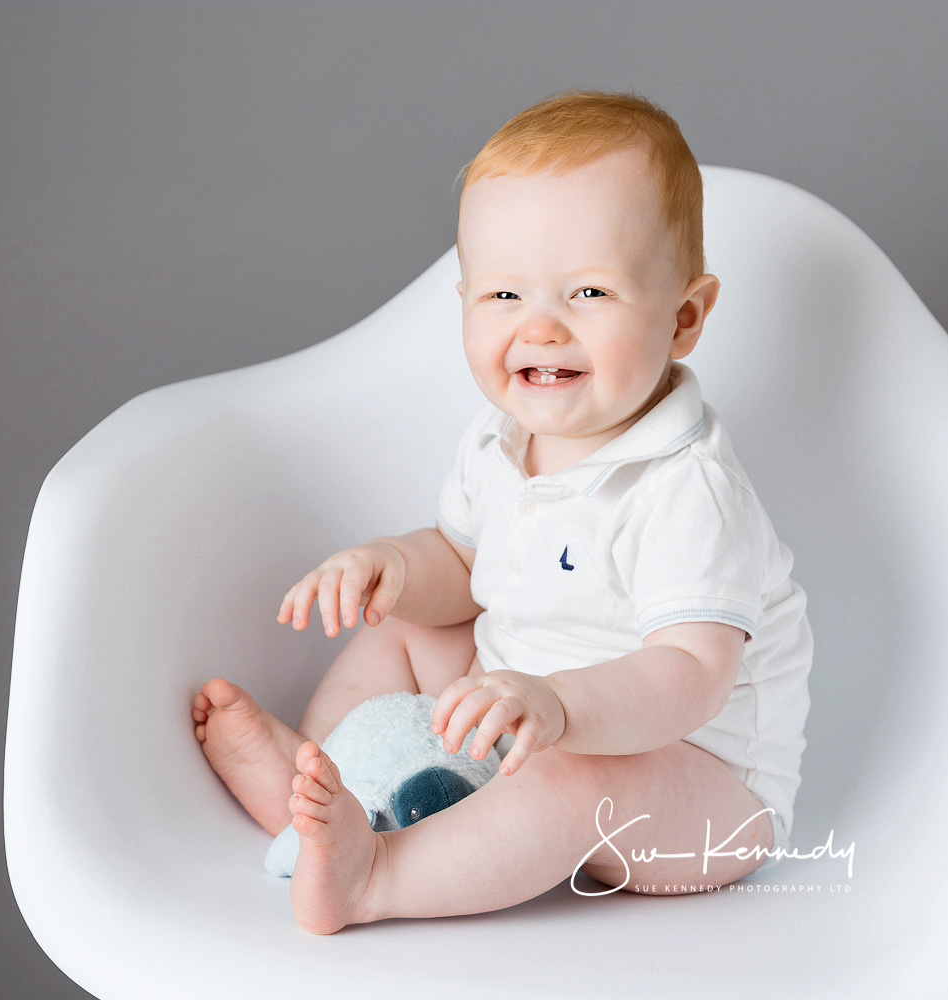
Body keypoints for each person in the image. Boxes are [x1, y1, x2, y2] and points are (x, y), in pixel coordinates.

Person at [192, 89, 813, 935]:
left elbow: (689, 678)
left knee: (572, 780)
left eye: (589, 293)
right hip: (526, 714)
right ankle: (320, 786)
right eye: (503, 296)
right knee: (402, 630)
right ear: (463, 298)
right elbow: (462, 565)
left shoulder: (686, 488)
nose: (542, 328)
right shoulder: (500, 441)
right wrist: (395, 567)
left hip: (696, 788)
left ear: (684, 317)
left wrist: (557, 708)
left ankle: (375, 879)